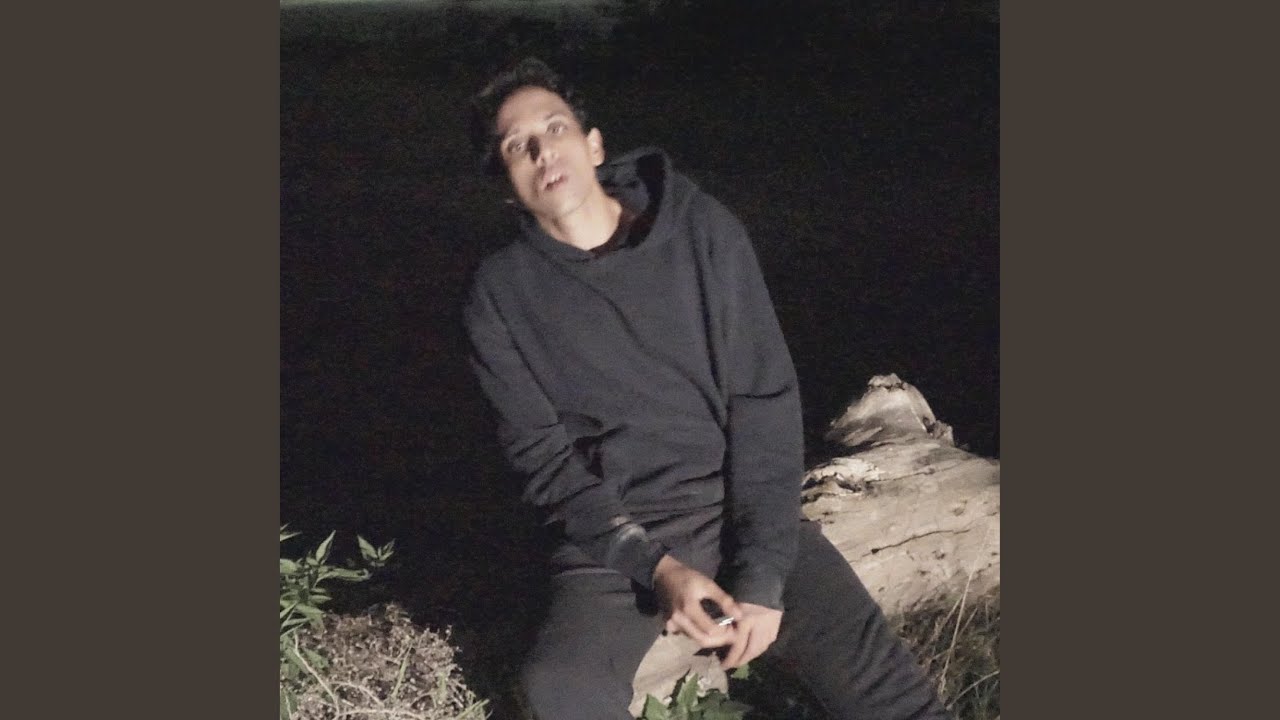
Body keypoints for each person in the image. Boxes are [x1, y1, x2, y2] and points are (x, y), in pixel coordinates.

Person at [462, 57, 949, 720]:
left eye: (555, 128)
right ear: (505, 183)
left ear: (594, 144)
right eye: (517, 146)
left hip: (733, 504)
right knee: (560, 688)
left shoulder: (701, 232)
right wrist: (657, 568)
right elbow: (545, 461)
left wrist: (763, 576)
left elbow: (763, 401)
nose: (543, 151)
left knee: (894, 697)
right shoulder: (499, 295)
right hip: (615, 542)